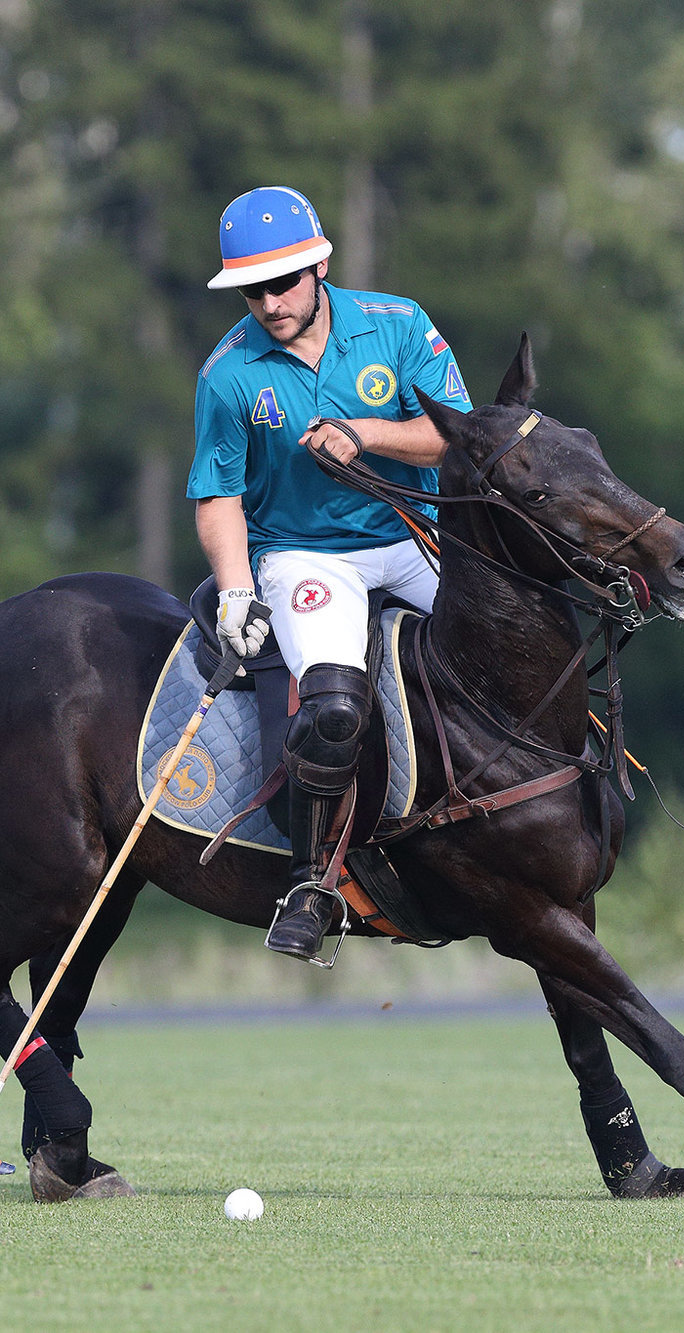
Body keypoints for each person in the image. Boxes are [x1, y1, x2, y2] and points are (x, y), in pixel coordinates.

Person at [188, 185, 472, 962]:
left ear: (320, 265)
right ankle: (311, 884)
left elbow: (457, 435)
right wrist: (238, 591)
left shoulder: (397, 323)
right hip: (305, 554)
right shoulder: (229, 372)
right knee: (335, 707)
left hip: (412, 532)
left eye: (284, 282)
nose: (270, 302)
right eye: (253, 288)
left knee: (517, 634)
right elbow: (218, 494)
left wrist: (366, 432)